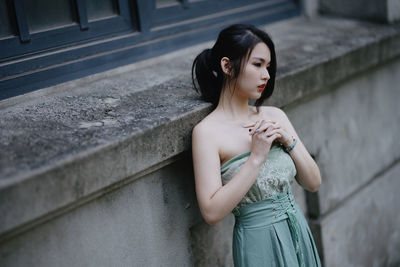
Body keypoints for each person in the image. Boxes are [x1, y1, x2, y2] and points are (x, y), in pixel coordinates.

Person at [191, 24, 322, 267]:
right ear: (227, 66)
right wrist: (256, 158)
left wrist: (289, 141)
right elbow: (211, 213)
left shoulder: (274, 115)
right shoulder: (207, 133)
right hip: (258, 243)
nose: (266, 75)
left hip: (298, 231)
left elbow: (313, 182)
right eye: (258, 65)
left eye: (268, 67)